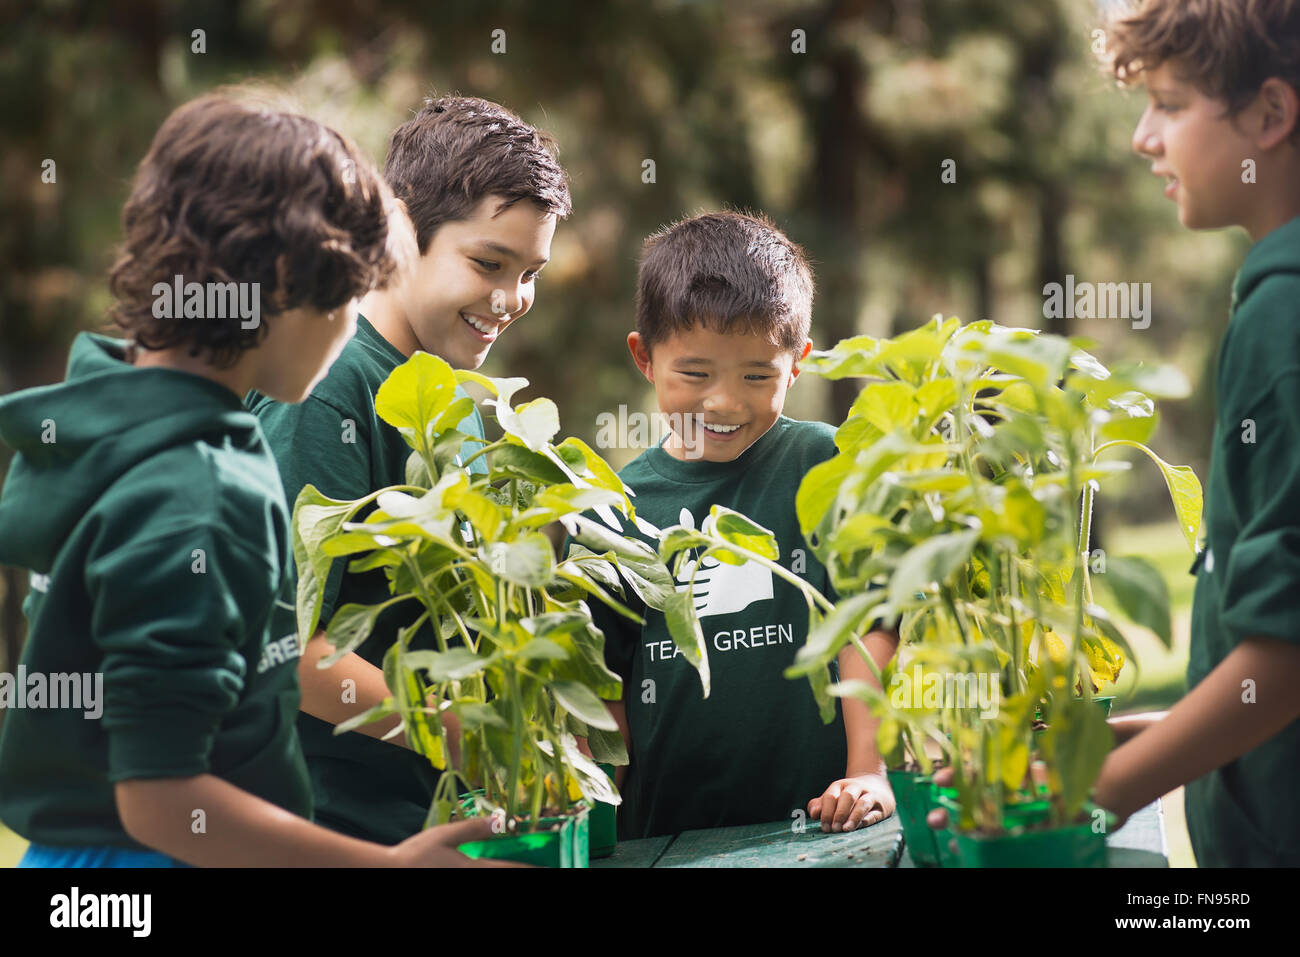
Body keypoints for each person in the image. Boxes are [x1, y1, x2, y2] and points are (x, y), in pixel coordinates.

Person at [0, 93, 498, 866]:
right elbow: (162, 797)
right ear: (286, 286)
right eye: (346, 295)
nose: (349, 326)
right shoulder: (194, 491)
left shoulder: (110, 410)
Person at [247, 95, 572, 845]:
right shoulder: (327, 387)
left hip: (421, 824)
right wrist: (470, 736)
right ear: (397, 227)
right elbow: (286, 648)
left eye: (531, 273)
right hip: (327, 829)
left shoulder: (444, 398)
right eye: (489, 262)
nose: (511, 298)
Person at [578, 211, 899, 840]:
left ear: (798, 363)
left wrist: (869, 769)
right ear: (644, 358)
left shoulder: (826, 464)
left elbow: (870, 624)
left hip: (827, 827)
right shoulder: (615, 504)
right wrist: (599, 812)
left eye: (757, 375)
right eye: (695, 373)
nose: (724, 402)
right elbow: (607, 683)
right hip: (665, 836)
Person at [1084, 0, 1300, 867]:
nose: (1143, 139)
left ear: (1271, 114)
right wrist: (1160, 732)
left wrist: (1096, 792)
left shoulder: (1283, 310)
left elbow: (1287, 655)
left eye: (1170, 105)